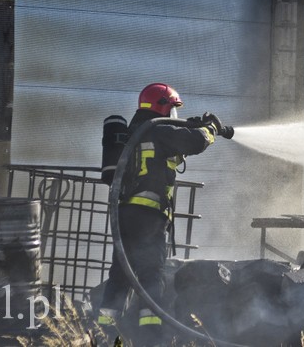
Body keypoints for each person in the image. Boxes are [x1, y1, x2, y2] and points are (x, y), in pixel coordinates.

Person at [98, 82, 228, 345]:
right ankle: (151, 337)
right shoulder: (158, 131)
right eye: (173, 109)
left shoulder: (135, 132)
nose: (174, 116)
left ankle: (102, 335)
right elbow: (196, 142)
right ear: (163, 107)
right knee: (152, 274)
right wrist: (211, 128)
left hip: (124, 216)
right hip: (149, 217)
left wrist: (189, 124)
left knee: (120, 275)